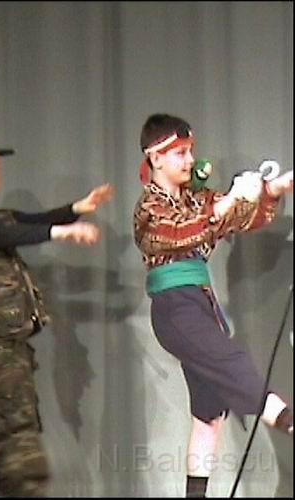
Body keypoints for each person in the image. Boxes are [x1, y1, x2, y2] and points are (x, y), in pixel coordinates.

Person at [0, 129, 114, 497]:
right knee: (24, 459)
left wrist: (77, 209)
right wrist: (62, 233)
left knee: (14, 455)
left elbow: (29, 220)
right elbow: (7, 236)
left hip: (12, 346)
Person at [133, 114, 294, 498]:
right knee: (232, 362)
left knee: (209, 414)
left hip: (199, 305)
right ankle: (289, 420)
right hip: (175, 308)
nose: (190, 160)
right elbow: (182, 231)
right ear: (156, 158)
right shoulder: (149, 208)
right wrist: (230, 200)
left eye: (191, 152)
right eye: (180, 153)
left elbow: (239, 216)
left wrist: (273, 188)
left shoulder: (196, 199)